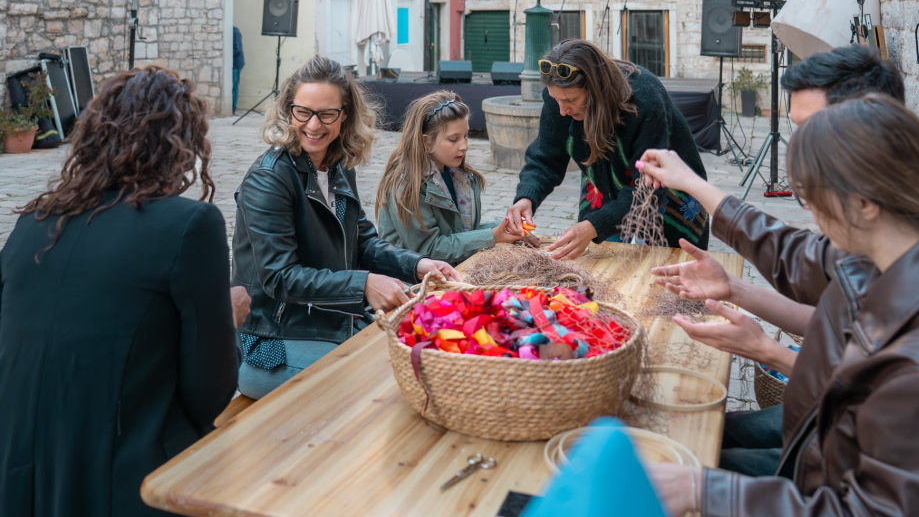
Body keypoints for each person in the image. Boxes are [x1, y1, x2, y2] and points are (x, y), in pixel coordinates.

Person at [637, 95, 919, 516]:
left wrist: (705, 490)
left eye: (810, 196)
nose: (807, 210)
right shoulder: (914, 246)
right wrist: (694, 185)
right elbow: (792, 251)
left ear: (864, 205)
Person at [0, 66, 242, 517]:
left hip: (22, 468)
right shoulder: (190, 226)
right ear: (182, 144)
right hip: (125, 476)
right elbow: (212, 387)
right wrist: (227, 317)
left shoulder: (30, 222)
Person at [232, 56, 460, 399]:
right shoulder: (270, 179)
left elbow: (362, 240)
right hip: (273, 341)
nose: (313, 125)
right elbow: (279, 277)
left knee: (430, 351)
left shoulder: (336, 164)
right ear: (287, 110)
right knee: (390, 374)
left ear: (345, 116)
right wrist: (364, 283)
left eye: (326, 114)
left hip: (329, 319)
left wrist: (417, 264)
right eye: (302, 112)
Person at [506, 40, 709, 260]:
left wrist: (594, 225)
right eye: (556, 100)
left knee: (662, 274)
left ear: (595, 89)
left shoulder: (646, 99)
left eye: (571, 100)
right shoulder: (559, 99)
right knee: (599, 267)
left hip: (668, 194)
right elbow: (545, 158)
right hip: (603, 187)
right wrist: (525, 198)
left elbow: (648, 189)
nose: (563, 111)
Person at [782, 44, 919, 240]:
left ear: (870, 121)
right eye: (799, 128)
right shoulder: (864, 202)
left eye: (811, 128)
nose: (801, 143)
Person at [376, 91, 535, 264]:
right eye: (453, 139)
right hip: (408, 282)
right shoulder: (407, 184)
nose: (464, 146)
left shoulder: (461, 177)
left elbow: (460, 233)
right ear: (426, 142)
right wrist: (493, 236)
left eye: (466, 135)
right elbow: (427, 250)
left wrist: (509, 228)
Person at [233, 25, 245, 114]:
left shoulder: (235, 31)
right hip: (233, 63)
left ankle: (233, 107)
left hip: (236, 63)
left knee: (234, 86)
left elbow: (236, 49)